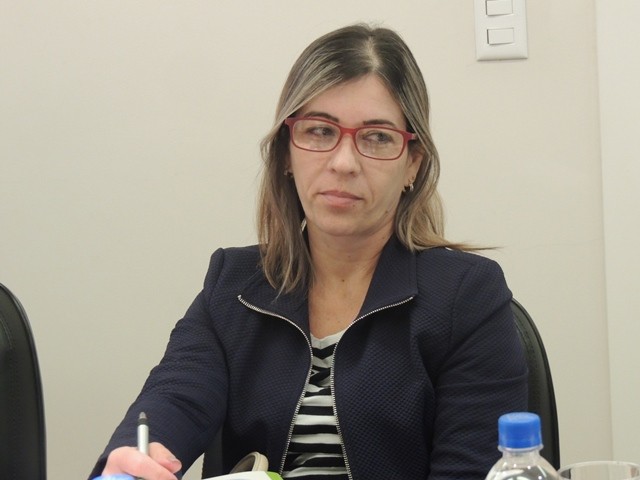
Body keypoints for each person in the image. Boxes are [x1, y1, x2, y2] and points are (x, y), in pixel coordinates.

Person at [89, 24, 528, 480]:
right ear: (285, 152)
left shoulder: (467, 295)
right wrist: (133, 462)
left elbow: (472, 469)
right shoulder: (233, 284)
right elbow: (174, 400)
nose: (343, 162)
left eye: (377, 137)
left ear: (412, 163)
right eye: (319, 131)